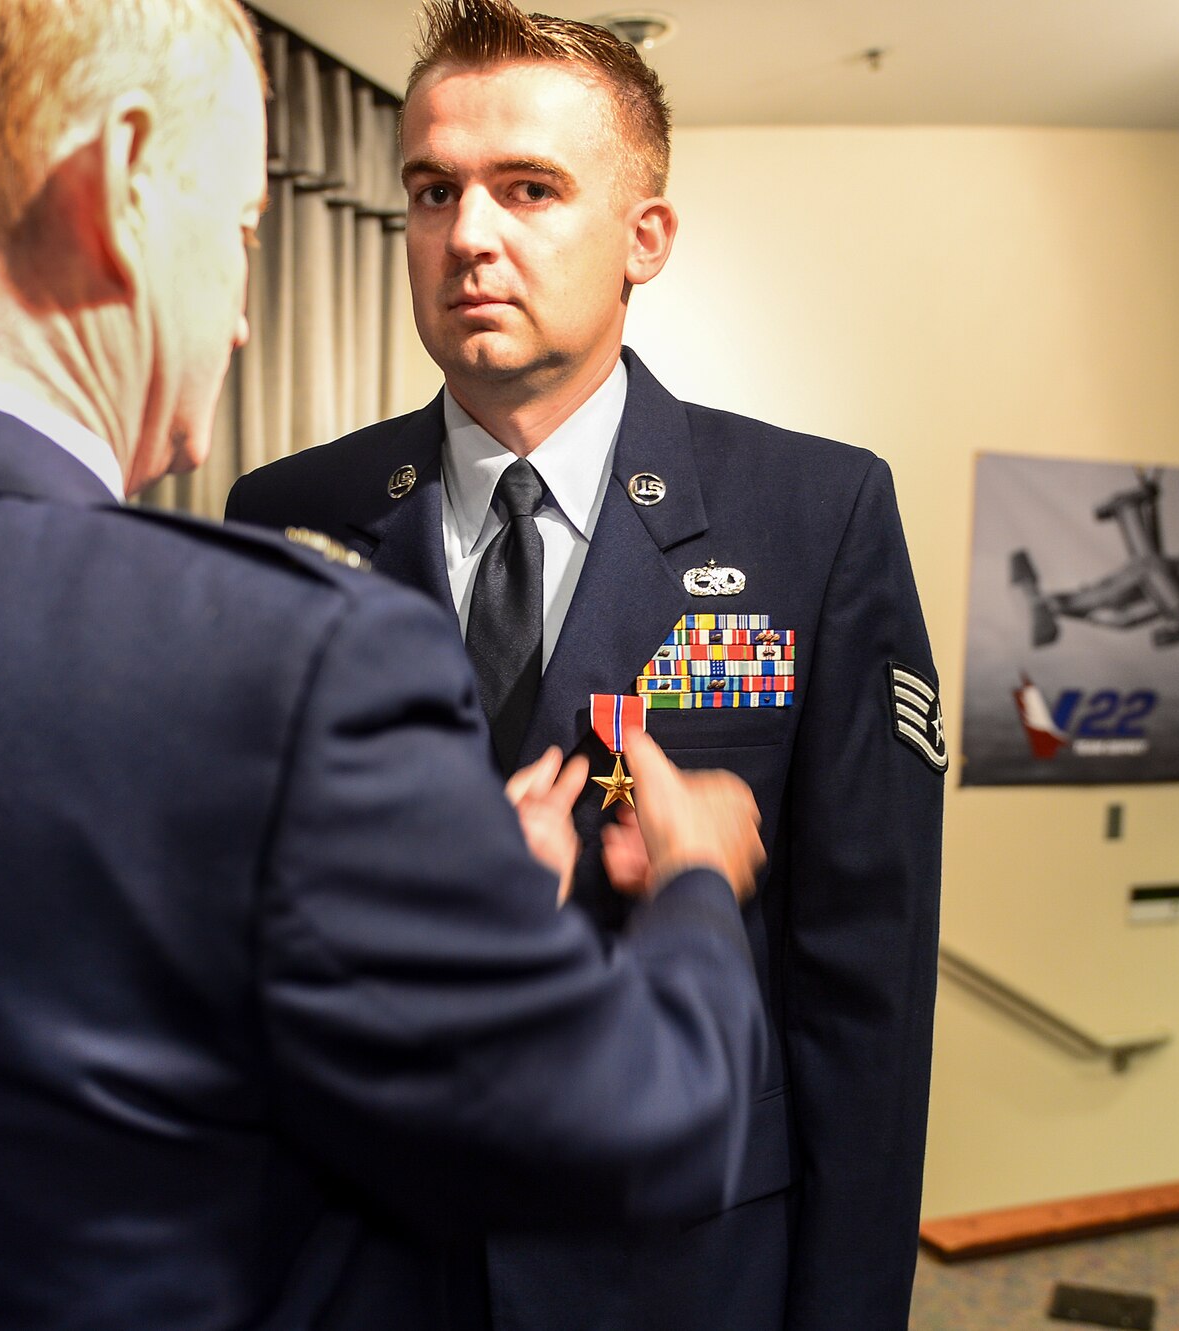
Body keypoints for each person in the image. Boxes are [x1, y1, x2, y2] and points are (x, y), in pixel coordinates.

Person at [0, 2, 775, 1328]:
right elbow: (636, 1124)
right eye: (245, 233)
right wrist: (694, 888)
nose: (244, 322)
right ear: (119, 191)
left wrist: (434, 902)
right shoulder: (287, 660)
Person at [225, 2, 947, 1327]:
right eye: (434, 191)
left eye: (530, 189)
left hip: (673, 1266)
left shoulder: (813, 517)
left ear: (644, 237)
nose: (470, 236)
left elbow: (865, 995)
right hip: (369, 1264)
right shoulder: (289, 516)